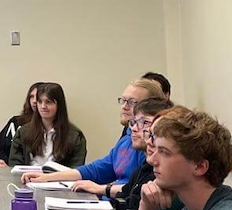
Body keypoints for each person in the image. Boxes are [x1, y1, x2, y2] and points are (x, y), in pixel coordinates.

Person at [22, 78, 164, 191]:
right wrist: (46, 177)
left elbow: (137, 189)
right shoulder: (127, 137)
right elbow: (98, 169)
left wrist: (102, 189)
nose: (124, 106)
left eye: (132, 102)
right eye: (123, 100)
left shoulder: (148, 145)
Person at [74, 97, 183, 210]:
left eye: (145, 123)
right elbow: (125, 196)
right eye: (133, 123)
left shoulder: (169, 188)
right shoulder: (144, 166)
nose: (135, 129)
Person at [7, 82, 87, 169]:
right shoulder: (23, 133)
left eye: (48, 102)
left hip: (59, 177)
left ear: (59, 105)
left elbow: (76, 170)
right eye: (40, 102)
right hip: (26, 177)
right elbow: (14, 165)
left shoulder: (75, 137)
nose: (43, 106)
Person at [0, 81, 44, 166]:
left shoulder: (49, 126)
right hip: (10, 171)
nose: (34, 101)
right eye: (31, 97)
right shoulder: (16, 122)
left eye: (38, 97)